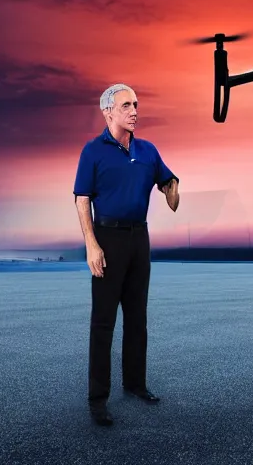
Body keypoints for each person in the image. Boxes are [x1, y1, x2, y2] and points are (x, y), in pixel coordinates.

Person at [73, 83, 180, 426]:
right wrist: (91, 244)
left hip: (139, 239)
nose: (135, 110)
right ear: (107, 112)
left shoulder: (148, 150)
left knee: (137, 319)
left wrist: (172, 186)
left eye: (136, 104)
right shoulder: (93, 151)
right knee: (103, 322)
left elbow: (168, 185)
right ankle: (97, 399)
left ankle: (135, 384)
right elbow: (81, 199)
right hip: (107, 238)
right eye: (126, 106)